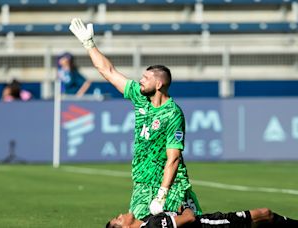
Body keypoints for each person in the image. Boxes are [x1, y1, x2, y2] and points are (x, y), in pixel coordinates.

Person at [69, 18, 202, 219]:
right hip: (141, 181)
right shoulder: (140, 97)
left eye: (146, 78)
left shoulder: (173, 114)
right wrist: (89, 45)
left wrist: (162, 194)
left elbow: (173, 157)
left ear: (158, 85)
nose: (140, 80)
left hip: (169, 186)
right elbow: (108, 71)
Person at [106, 204, 298, 228]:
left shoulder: (147, 219)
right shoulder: (154, 225)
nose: (120, 215)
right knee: (264, 214)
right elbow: (189, 218)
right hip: (210, 224)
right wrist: (185, 205)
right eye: (118, 219)